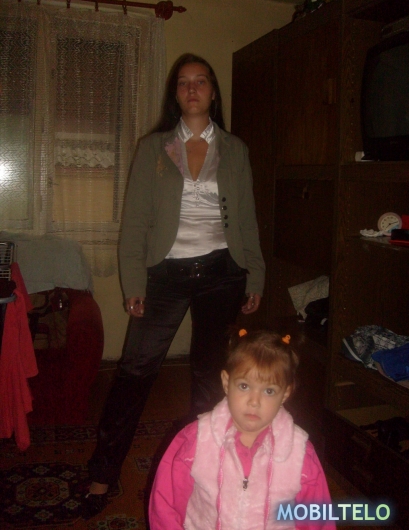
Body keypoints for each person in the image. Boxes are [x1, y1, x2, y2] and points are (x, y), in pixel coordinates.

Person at [80, 53, 265, 519]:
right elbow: (135, 222)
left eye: (201, 81)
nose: (192, 89)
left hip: (223, 273)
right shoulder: (153, 148)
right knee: (134, 372)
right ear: (175, 94)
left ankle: (206, 473)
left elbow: (246, 219)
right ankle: (103, 470)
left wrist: (256, 273)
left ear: (213, 92)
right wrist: (133, 281)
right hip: (163, 274)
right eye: (183, 82)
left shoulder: (236, 150)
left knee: (209, 377)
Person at [149, 330, 336, 530]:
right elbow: (165, 503)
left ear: (285, 393)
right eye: (244, 386)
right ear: (226, 382)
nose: (254, 401)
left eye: (269, 391)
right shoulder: (197, 440)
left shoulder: (299, 453)